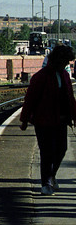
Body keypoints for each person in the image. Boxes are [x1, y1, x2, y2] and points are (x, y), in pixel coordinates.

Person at [20, 45, 76, 195]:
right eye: (64, 61)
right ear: (57, 60)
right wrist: (24, 120)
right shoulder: (41, 77)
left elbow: (70, 98)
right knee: (46, 152)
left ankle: (51, 176)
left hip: (61, 120)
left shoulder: (64, 75)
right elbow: (30, 100)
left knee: (61, 149)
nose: (66, 64)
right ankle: (45, 183)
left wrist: (74, 116)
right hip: (43, 121)